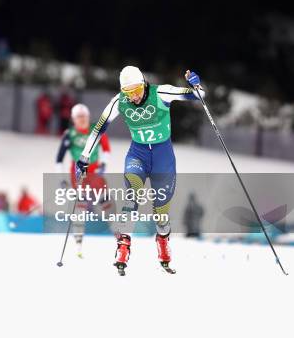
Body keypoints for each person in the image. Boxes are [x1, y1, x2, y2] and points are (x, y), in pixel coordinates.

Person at [75, 66, 203, 275]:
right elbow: (99, 128)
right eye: (127, 92)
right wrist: (84, 156)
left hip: (163, 159)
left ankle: (162, 242)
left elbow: (199, 96)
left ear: (143, 83)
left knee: (161, 211)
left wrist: (196, 85)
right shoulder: (120, 101)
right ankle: (123, 246)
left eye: (136, 89)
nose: (133, 96)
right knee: (133, 194)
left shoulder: (161, 92)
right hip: (138, 156)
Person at [56, 103, 111, 258]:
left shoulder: (96, 130)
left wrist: (104, 165)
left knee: (105, 200)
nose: (82, 120)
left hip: (94, 169)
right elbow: (59, 159)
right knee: (80, 205)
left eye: (84, 116)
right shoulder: (70, 134)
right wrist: (61, 179)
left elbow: (106, 149)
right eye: (78, 117)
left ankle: (119, 235)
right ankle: (78, 242)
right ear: (73, 119)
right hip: (77, 171)